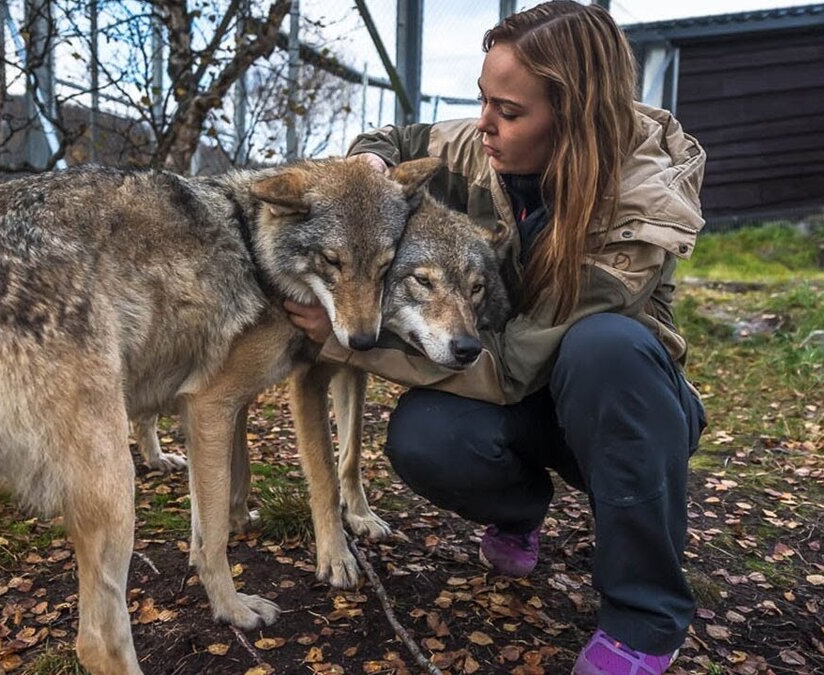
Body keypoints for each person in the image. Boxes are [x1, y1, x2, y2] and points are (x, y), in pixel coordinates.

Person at [284, 2, 707, 674]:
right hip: (519, 392)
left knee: (605, 348)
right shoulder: (485, 146)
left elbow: (512, 366)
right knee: (424, 437)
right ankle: (520, 510)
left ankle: (645, 616)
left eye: (508, 111)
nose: (485, 123)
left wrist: (342, 342)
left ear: (573, 117)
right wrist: (367, 169)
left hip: (617, 409)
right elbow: (394, 138)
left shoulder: (641, 205)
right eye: (484, 100)